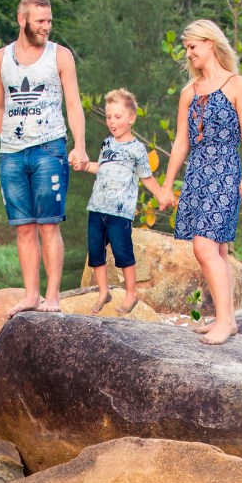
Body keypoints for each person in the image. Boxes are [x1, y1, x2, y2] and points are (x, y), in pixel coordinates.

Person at [0, 0, 89, 317]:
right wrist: (6, 135)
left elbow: (73, 103)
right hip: (12, 154)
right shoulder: (0, 59)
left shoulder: (60, 55)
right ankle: (31, 295)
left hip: (49, 148)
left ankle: (53, 296)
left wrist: (79, 144)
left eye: (49, 21)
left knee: (48, 225)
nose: (46, 27)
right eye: (40, 21)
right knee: (23, 227)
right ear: (23, 20)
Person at [160, 20, 242, 345]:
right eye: (186, 48)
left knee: (204, 246)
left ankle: (225, 322)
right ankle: (226, 318)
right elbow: (181, 142)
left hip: (226, 170)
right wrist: (167, 184)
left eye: (192, 46)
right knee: (217, 249)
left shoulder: (237, 84)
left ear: (210, 43)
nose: (188, 53)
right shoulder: (189, 93)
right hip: (197, 173)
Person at [82, 88, 166, 314]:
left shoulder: (137, 149)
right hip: (97, 207)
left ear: (131, 118)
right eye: (109, 116)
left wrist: (160, 195)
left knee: (123, 252)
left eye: (117, 116)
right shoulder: (107, 144)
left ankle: (131, 293)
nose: (112, 121)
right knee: (95, 252)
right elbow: (101, 168)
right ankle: (103, 292)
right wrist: (85, 165)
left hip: (119, 212)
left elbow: (146, 177)